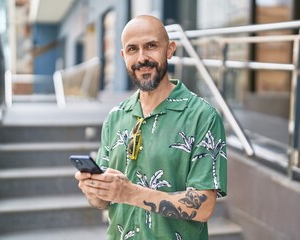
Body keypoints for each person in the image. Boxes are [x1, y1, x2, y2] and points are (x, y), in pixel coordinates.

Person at [75, 15, 227, 240]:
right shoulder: (115, 117)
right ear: (123, 56)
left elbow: (204, 207)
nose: (142, 58)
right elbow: (103, 202)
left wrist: (131, 193)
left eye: (151, 46)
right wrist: (94, 190)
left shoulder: (203, 116)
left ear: (170, 50)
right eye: (132, 49)